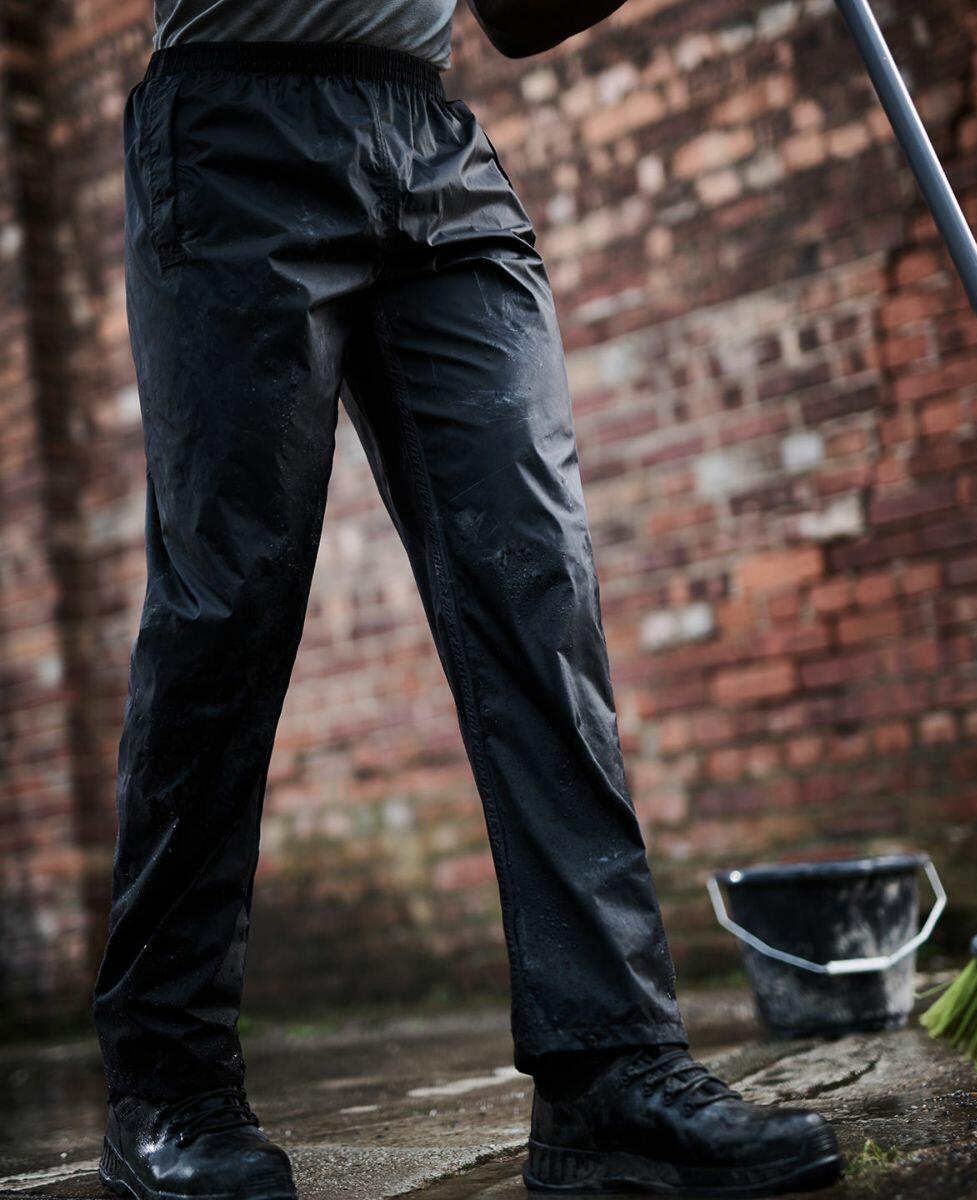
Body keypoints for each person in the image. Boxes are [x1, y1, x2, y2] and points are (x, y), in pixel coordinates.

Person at [91, 2, 844, 1197]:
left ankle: (609, 1069)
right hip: (235, 121)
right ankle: (166, 1085)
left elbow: (524, 12)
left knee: (537, 588)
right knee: (228, 607)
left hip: (430, 142)